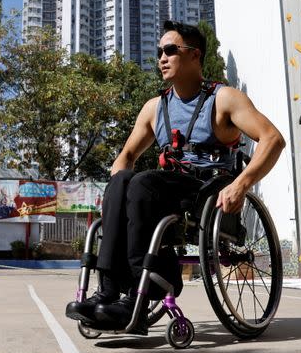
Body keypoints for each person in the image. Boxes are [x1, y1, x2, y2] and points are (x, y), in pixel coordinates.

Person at [65, 20, 286, 331]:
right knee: (123, 179)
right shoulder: (154, 108)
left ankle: (141, 294)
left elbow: (272, 139)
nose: (162, 58)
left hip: (205, 189)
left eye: (170, 50)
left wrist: (241, 184)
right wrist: (117, 188)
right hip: (164, 191)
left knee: (142, 182)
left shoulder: (223, 99)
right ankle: (109, 291)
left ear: (195, 55)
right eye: (159, 52)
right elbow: (125, 156)